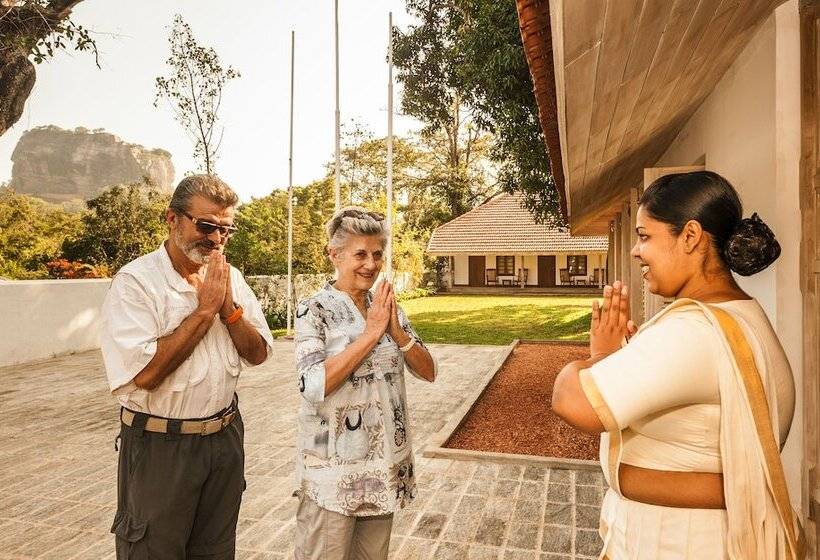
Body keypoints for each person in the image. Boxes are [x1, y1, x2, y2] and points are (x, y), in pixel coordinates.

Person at [551, 171, 802, 559]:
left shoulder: (693, 330)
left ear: (689, 236)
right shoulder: (742, 313)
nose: (636, 251)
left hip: (681, 544)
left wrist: (599, 357)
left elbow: (573, 402)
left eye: (645, 236)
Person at [101, 174, 273, 559]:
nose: (215, 239)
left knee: (215, 551)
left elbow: (259, 351)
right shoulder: (136, 282)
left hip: (224, 439)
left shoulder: (230, 278)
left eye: (225, 230)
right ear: (173, 219)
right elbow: (144, 375)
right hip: (161, 446)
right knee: (153, 551)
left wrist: (228, 308)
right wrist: (205, 310)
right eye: (206, 225)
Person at [293, 206, 437, 560]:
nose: (370, 264)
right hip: (332, 471)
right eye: (360, 254)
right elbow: (313, 384)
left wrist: (396, 331)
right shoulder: (314, 309)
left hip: (384, 466)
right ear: (334, 254)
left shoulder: (387, 307)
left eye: (377, 254)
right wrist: (371, 333)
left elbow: (429, 371)